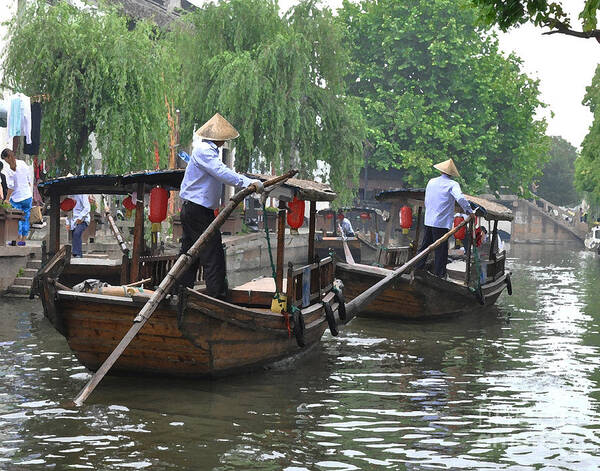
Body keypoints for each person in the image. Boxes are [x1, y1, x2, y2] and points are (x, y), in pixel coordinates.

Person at [179, 113, 262, 298]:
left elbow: (221, 172)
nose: (224, 142)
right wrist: (248, 182)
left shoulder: (209, 151)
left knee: (189, 253)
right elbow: (221, 172)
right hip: (197, 210)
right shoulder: (203, 150)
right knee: (212, 253)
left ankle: (181, 290)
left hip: (197, 210)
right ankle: (217, 296)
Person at [415, 158, 473, 278]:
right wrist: (469, 211)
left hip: (429, 220)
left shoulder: (431, 182)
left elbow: (427, 200)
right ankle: (440, 275)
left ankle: (417, 268)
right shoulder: (452, 184)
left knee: (425, 246)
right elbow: (461, 198)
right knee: (441, 250)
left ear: (441, 171)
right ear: (451, 174)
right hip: (441, 222)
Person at [1, 148, 33, 245]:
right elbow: (28, 179)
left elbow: (11, 187)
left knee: (16, 218)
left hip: (17, 198)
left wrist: (7, 199)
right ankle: (23, 240)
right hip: (27, 196)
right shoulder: (23, 163)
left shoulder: (9, 169)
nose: (5, 161)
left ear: (7, 157)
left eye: (4, 159)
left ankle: (17, 239)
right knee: (26, 218)